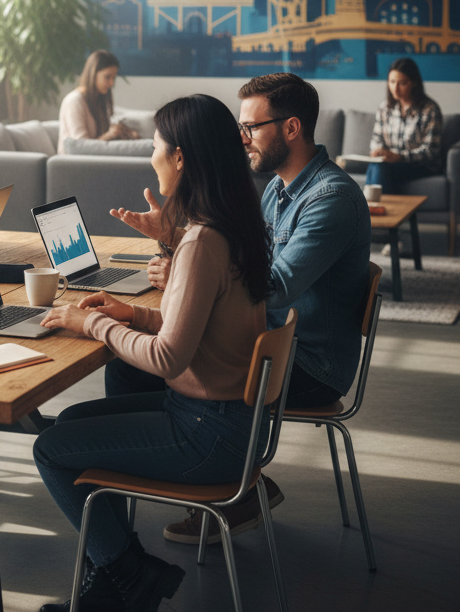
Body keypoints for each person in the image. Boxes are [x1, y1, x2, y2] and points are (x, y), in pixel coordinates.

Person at [32, 94, 272, 612]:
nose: (152, 159)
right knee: (69, 425)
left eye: (158, 149)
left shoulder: (201, 242)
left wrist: (90, 325)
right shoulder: (233, 224)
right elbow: (201, 319)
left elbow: (168, 356)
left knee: (49, 449)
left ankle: (128, 574)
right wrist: (132, 312)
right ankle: (118, 577)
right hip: (231, 421)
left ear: (182, 158)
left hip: (206, 434)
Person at [112, 73, 371, 546]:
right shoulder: (277, 188)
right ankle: (214, 476)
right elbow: (242, 265)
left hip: (308, 363)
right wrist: (176, 244)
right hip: (264, 340)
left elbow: (268, 288)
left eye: (252, 127)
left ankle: (211, 477)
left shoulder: (330, 199)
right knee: (133, 369)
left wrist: (191, 275)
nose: (242, 138)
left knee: (138, 371)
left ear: (291, 128)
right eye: (240, 127)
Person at [366, 56, 443, 195]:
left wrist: (399, 157)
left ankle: (372, 213)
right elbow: (376, 138)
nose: (395, 88)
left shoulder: (429, 109)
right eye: (392, 82)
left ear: (413, 83)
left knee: (379, 168)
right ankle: (379, 212)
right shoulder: (385, 107)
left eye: (402, 83)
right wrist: (378, 150)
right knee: (377, 165)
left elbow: (431, 151)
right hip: (391, 164)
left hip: (421, 166)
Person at [57, 50, 139, 154]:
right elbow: (80, 148)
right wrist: (109, 135)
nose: (111, 83)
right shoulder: (74, 101)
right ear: (93, 73)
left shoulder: (98, 101)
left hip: (92, 162)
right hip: (73, 165)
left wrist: (127, 135)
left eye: (113, 78)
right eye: (107, 77)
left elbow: (96, 142)